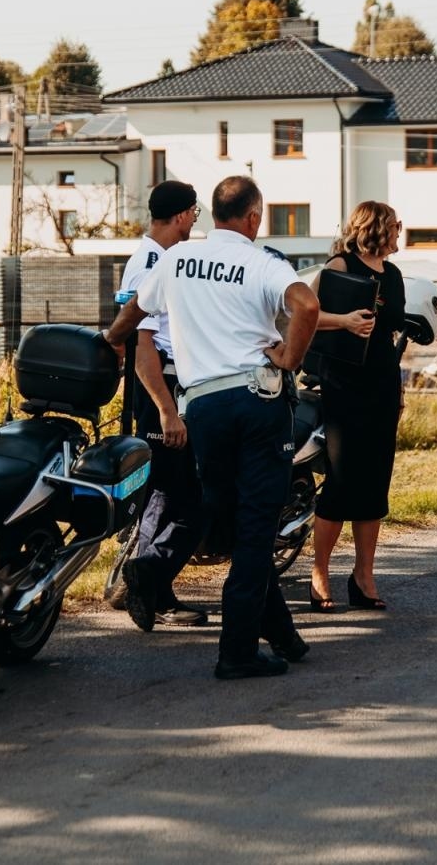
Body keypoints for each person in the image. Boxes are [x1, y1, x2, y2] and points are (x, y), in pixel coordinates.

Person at [105, 175, 320, 680]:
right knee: (254, 530)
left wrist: (111, 336)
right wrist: (290, 356)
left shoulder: (175, 260)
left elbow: (136, 310)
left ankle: (282, 634)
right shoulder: (263, 262)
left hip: (201, 407)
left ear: (214, 213)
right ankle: (237, 653)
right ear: (252, 217)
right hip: (256, 402)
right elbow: (306, 305)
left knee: (226, 520)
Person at [116, 179, 209, 630]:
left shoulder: (156, 257)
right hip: (161, 386)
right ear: (181, 215)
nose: (197, 220)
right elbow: (143, 345)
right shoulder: (154, 261)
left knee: (169, 492)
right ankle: (148, 581)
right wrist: (166, 409)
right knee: (184, 496)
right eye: (194, 212)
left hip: (165, 386)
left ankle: (151, 585)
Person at [306, 201, 404, 612]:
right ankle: (319, 573)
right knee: (342, 480)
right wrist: (343, 321)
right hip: (344, 385)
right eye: (396, 225)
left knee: (376, 482)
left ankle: (363, 576)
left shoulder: (394, 274)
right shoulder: (340, 265)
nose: (401, 231)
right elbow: (309, 314)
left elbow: (391, 331)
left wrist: (398, 392)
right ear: (379, 227)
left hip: (382, 382)